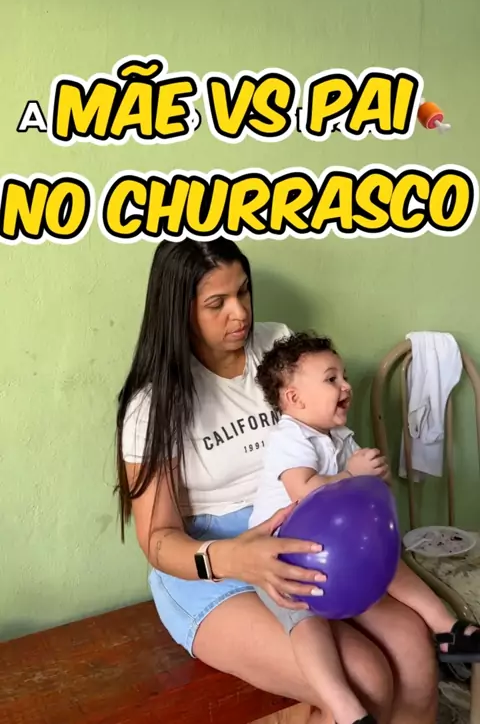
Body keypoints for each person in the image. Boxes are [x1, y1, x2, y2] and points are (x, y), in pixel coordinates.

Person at [115, 237, 439, 724]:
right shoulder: (153, 405)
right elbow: (158, 540)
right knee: (365, 678)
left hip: (305, 531)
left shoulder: (276, 348)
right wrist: (234, 558)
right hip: (213, 562)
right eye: (217, 303)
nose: (240, 313)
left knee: (413, 647)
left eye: (243, 291)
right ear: (178, 311)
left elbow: (327, 437)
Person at [249, 330, 480, 724]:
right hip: (281, 556)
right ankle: (344, 708)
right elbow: (302, 490)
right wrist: (351, 475)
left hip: (334, 554)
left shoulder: (340, 436)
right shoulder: (289, 436)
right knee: (305, 622)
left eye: (343, 376)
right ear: (294, 399)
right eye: (331, 379)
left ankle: (446, 629)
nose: (346, 385)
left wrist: (374, 481)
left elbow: (360, 500)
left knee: (393, 566)